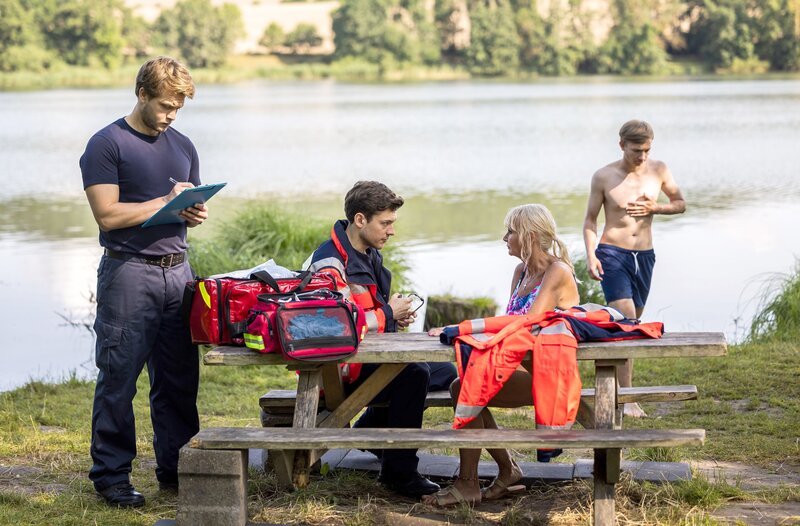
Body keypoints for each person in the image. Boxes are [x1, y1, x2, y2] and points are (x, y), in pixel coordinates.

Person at [80, 57, 208, 508]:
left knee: (178, 380)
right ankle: (112, 477)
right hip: (128, 273)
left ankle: (177, 469)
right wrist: (165, 201)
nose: (172, 115)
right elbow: (108, 215)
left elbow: (183, 206)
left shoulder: (184, 145)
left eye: (178, 108)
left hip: (179, 272)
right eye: (165, 105)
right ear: (142, 94)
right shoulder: (106, 144)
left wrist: (193, 211)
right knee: (119, 378)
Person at [423, 204, 580, 507]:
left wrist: (463, 328)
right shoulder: (520, 272)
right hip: (518, 364)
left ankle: (469, 483)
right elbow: (508, 325)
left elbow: (527, 323)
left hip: (548, 376)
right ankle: (505, 471)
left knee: (464, 387)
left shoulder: (558, 271)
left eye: (510, 231)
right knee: (464, 385)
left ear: (529, 235)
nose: (504, 237)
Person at [307, 181, 456, 498]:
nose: (391, 231)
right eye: (385, 223)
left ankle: (369, 430)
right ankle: (400, 474)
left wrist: (392, 315)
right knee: (414, 373)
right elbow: (335, 327)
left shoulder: (367, 253)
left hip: (365, 358)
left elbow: (363, 312)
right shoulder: (329, 264)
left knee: (447, 370)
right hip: (337, 371)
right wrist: (387, 313)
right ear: (360, 219)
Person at [583, 119, 686, 418]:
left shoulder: (659, 170)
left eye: (646, 150)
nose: (641, 156)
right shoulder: (604, 176)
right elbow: (590, 220)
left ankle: (615, 387)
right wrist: (591, 255)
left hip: (645, 256)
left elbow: (680, 203)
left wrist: (657, 207)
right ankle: (627, 399)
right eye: (635, 150)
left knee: (631, 325)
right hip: (612, 253)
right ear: (621, 145)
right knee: (627, 322)